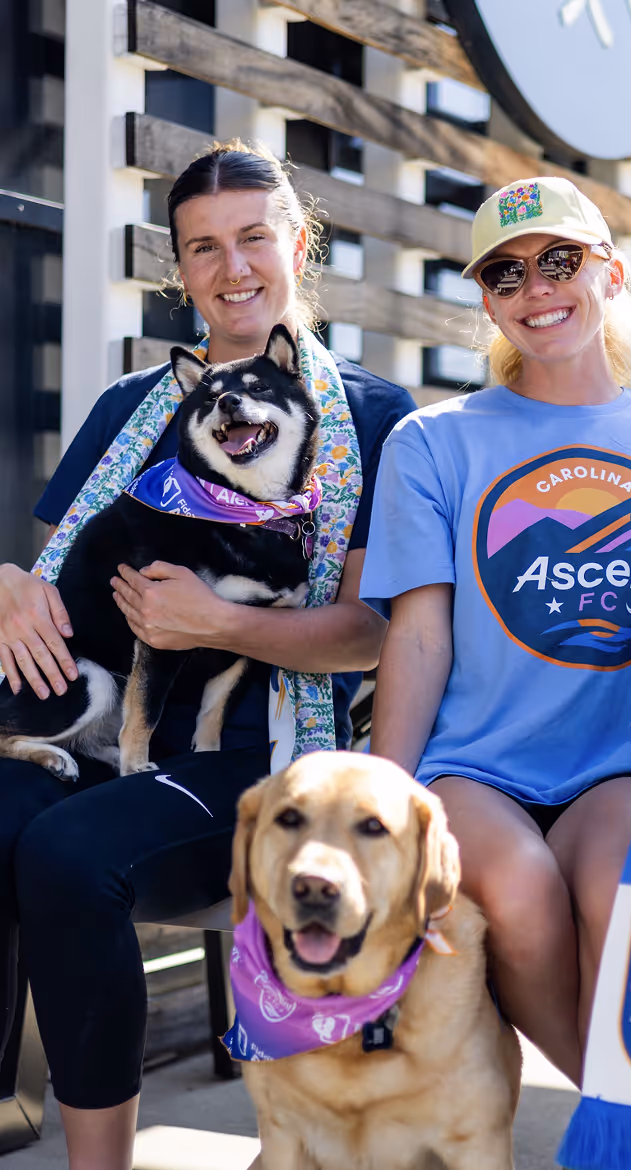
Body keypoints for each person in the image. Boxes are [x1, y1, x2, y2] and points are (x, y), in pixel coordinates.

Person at [0, 141, 414, 1169]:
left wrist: (222, 626)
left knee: (69, 853)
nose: (233, 268)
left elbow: (371, 632)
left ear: (298, 247)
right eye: (203, 247)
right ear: (178, 268)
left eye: (254, 238)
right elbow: (57, 582)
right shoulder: (127, 410)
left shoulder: (375, 419)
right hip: (96, 729)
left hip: (260, 758)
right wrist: (7, 586)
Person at [362, 176, 631, 1084]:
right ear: (488, 303)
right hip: (476, 768)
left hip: (623, 762)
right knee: (522, 891)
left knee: (628, 890)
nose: (537, 288)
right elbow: (418, 636)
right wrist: (385, 806)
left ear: (613, 274)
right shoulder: (432, 440)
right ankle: (627, 1112)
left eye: (561, 261)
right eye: (507, 274)